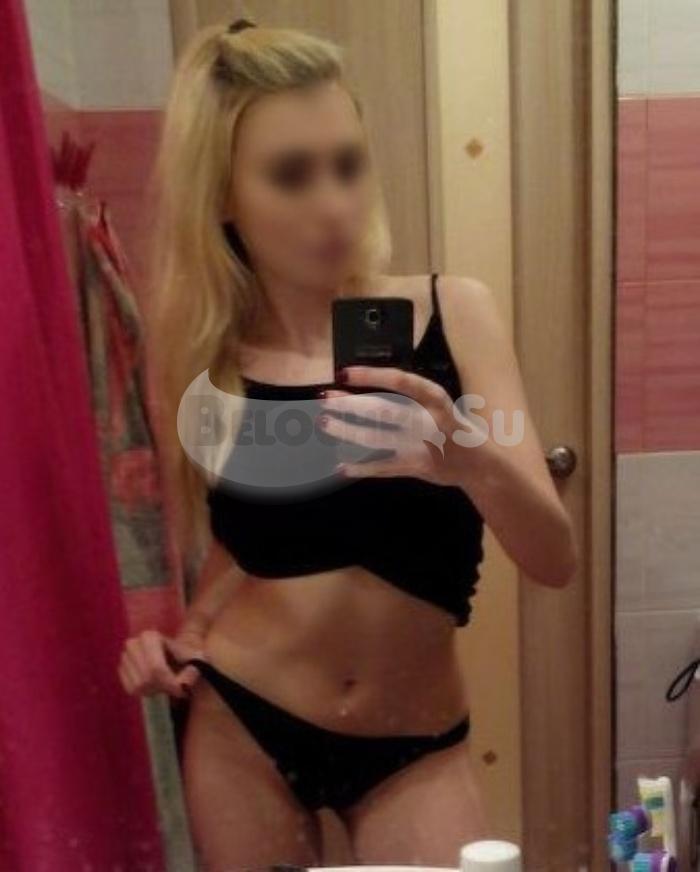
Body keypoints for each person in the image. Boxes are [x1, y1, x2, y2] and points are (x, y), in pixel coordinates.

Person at [118, 18, 578, 871]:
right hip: (243, 728)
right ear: (224, 195)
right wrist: (184, 632)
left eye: (348, 163)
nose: (333, 202)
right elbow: (246, 541)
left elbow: (555, 559)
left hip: (414, 742)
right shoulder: (207, 361)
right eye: (291, 174)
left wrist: (469, 462)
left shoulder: (454, 314)